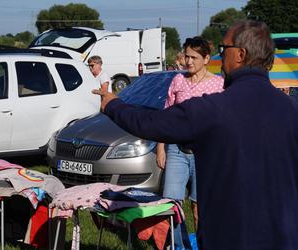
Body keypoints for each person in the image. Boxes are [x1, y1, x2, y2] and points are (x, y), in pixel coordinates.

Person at [93, 20, 298, 250]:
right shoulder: (291, 109)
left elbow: (150, 124)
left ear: (241, 54)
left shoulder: (213, 108)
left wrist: (113, 104)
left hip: (230, 237)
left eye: (223, 50)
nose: (220, 61)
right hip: (285, 237)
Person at [156, 36, 224, 248]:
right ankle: (180, 245)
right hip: (177, 150)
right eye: (186, 56)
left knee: (199, 208)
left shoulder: (219, 84)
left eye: (194, 57)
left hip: (206, 154)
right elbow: (166, 115)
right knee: (170, 205)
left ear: (206, 58)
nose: (188, 61)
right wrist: (161, 147)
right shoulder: (178, 80)